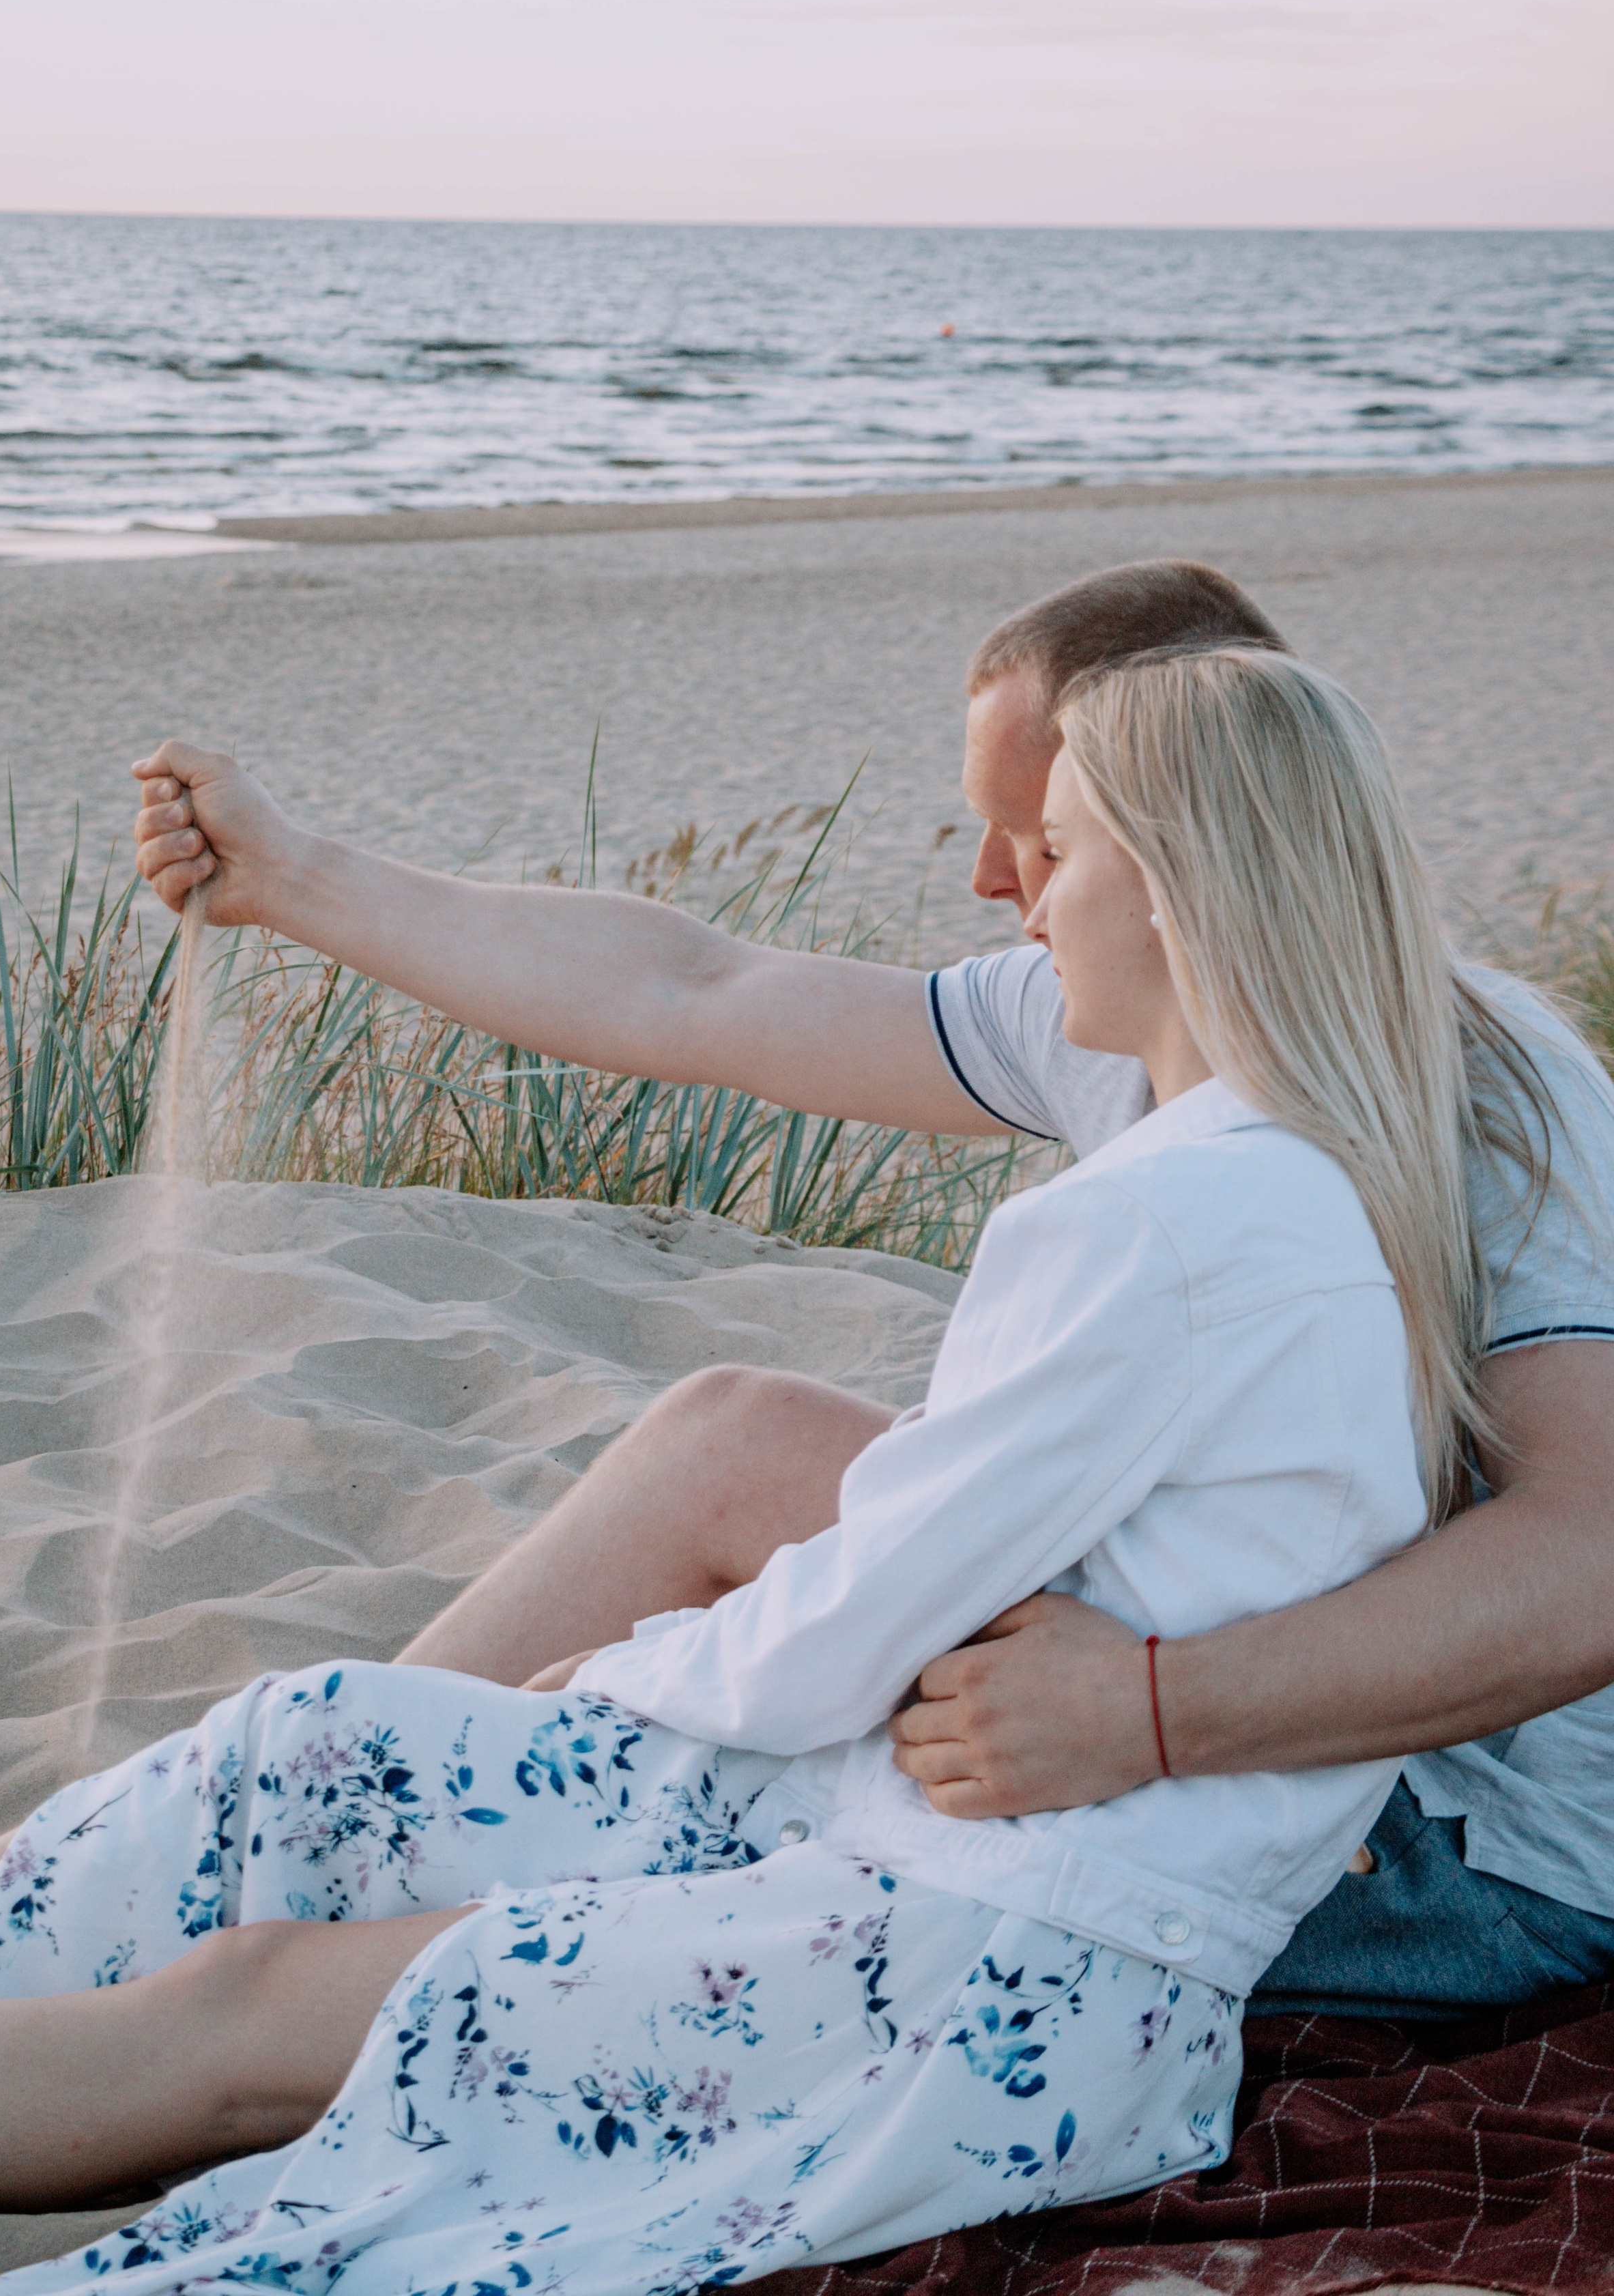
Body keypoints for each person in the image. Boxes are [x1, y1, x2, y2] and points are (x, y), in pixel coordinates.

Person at [0, 649, 1476, 2293]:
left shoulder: (1160, 1220)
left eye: (1056, 852)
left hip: (985, 1965)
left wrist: (615, 1675)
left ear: (1179, 884)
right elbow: (698, 997)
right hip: (981, 1888)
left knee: (259, 2008)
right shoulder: (1319, 1166)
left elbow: (873, 1605)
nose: (1020, 898)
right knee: (322, 1741)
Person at [128, 557, 1614, 2022]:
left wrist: (1149, 1709)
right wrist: (295, 877)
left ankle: (275, 1901)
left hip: (1448, 1832)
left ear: (1181, 832)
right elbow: (696, 993)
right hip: (1199, 1661)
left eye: (1038, 833)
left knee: (748, 1725)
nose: (992, 883)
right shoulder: (1126, 1012)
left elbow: (1590, 1551)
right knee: (730, 1436)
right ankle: (286, 1835)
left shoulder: (1488, 1089)